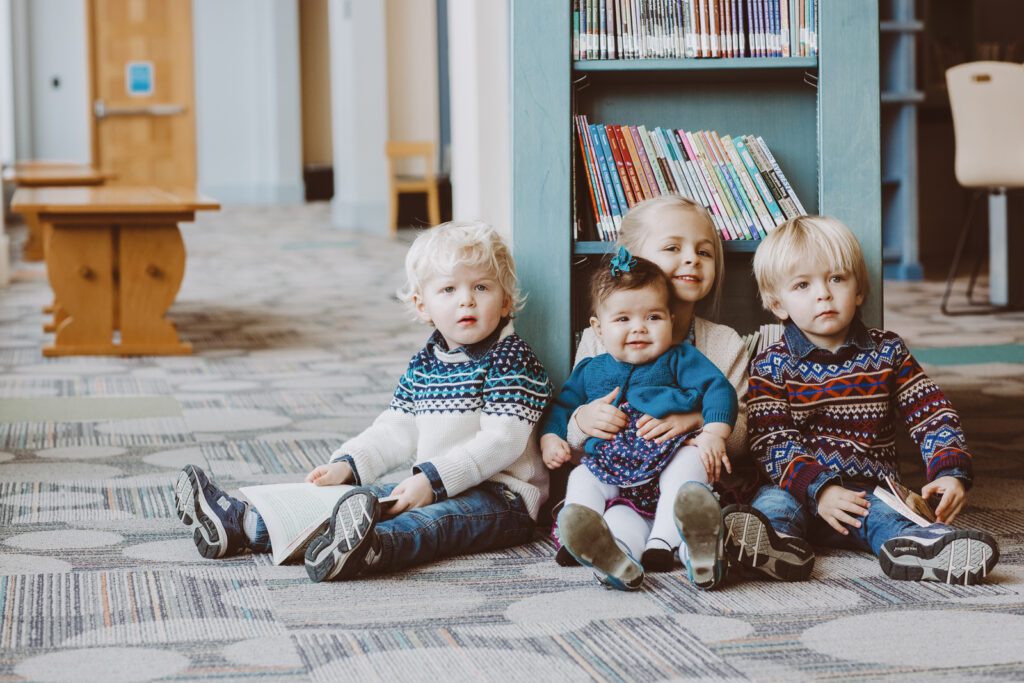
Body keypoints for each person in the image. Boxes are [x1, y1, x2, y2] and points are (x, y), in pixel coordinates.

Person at [174, 221, 553, 581]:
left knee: (432, 522)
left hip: (503, 499)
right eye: (449, 290)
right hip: (436, 483)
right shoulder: (426, 363)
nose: (466, 301)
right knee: (358, 502)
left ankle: (371, 548)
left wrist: (433, 483)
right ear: (423, 306)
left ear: (505, 302)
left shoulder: (511, 359)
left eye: (482, 288)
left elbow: (501, 442)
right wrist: (350, 463)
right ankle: (244, 526)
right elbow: (396, 426)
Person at [725, 215, 998, 585]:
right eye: (803, 285)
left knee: (890, 519)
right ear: (778, 305)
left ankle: (924, 550)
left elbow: (931, 411)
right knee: (772, 508)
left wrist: (950, 469)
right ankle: (776, 547)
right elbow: (771, 439)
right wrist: (818, 488)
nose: (823, 293)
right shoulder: (771, 363)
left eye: (836, 279)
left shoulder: (888, 351)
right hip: (797, 486)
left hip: (868, 490)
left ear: (858, 291)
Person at [550, 194, 757, 591]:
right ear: (632, 258)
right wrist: (582, 421)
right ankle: (616, 558)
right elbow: (574, 434)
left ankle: (679, 544)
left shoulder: (722, 342)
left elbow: (743, 438)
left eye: (704, 251)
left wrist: (698, 423)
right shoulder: (599, 342)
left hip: (690, 480)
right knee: (611, 516)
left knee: (693, 474)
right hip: (622, 487)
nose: (692, 259)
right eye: (672, 247)